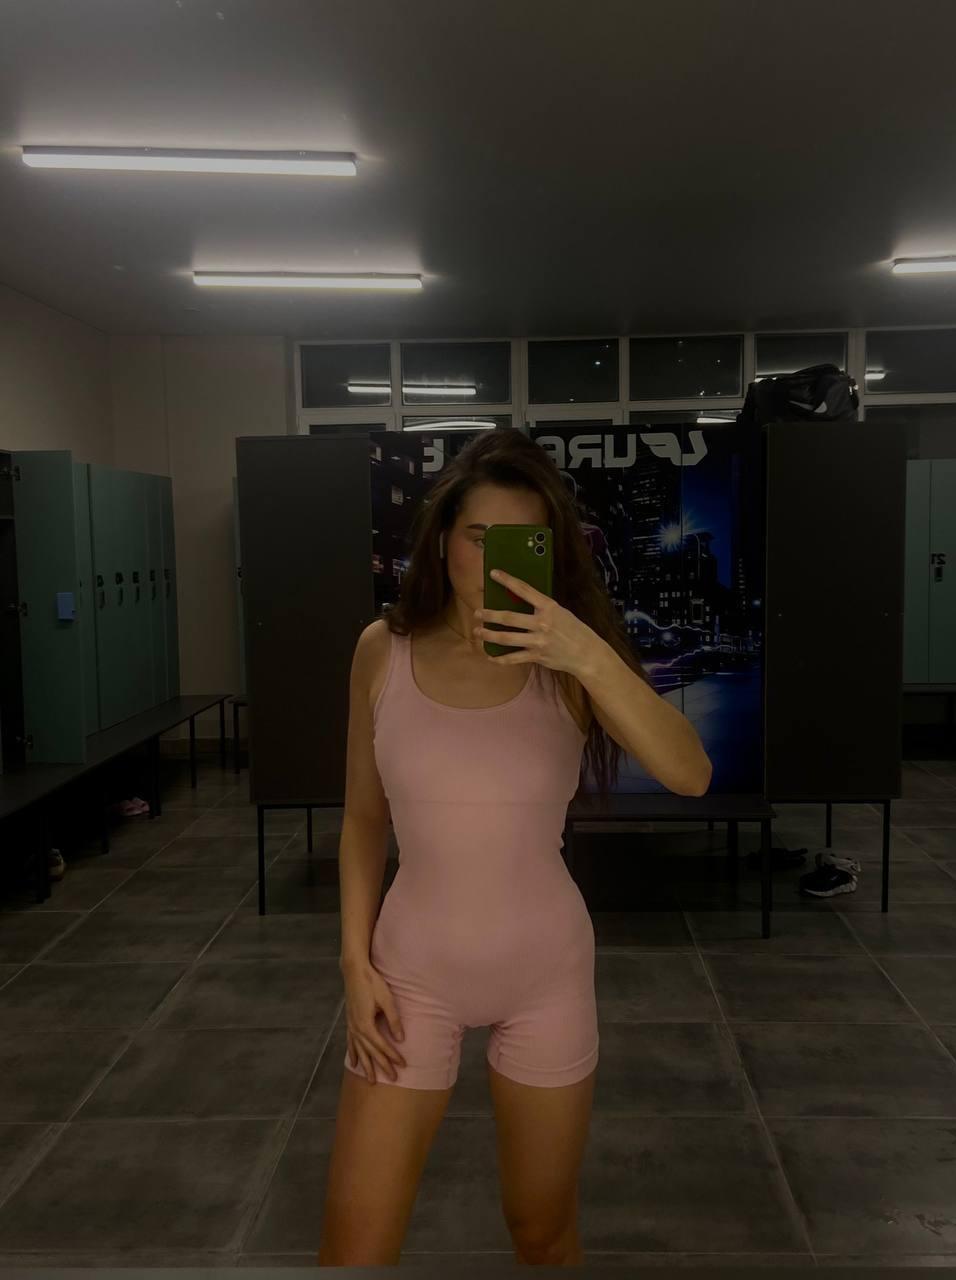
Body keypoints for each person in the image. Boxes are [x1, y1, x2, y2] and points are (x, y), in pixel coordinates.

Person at [318, 428, 711, 1266]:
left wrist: (585, 652)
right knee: (355, 1248)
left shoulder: (572, 662)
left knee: (542, 1228)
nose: (493, 559)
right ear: (442, 541)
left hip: (545, 972)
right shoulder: (382, 652)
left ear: (550, 552)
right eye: (477, 536)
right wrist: (353, 961)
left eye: (520, 540)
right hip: (409, 972)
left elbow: (690, 774)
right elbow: (363, 818)